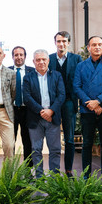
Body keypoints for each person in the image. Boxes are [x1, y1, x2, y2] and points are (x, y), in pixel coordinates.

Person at [23, 49, 65, 178]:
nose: (41, 62)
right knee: (36, 150)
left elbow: (61, 95)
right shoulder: (28, 77)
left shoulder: (57, 75)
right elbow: (27, 97)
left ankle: (55, 178)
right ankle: (40, 178)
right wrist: (41, 111)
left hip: (53, 118)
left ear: (48, 61)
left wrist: (51, 110)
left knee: (55, 150)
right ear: (33, 62)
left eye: (43, 59)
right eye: (38, 60)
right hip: (36, 119)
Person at [49, 31, 83, 177]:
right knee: (53, 139)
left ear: (69, 43)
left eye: (64, 41)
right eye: (58, 41)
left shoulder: (77, 59)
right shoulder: (49, 59)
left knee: (69, 139)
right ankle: (54, 171)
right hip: (53, 104)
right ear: (55, 43)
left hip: (69, 102)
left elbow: (81, 79)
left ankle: (68, 171)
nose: (61, 44)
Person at [73, 36, 102, 178]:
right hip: (87, 110)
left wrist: (99, 101)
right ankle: (86, 176)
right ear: (88, 48)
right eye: (94, 45)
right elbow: (76, 86)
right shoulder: (80, 66)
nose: (97, 47)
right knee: (87, 144)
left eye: (100, 44)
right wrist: (90, 103)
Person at [9, 46, 33, 166]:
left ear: (25, 56)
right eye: (16, 55)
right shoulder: (6, 71)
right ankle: (10, 171)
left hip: (27, 111)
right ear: (12, 57)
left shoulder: (32, 71)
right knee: (10, 142)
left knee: (28, 142)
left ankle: (28, 172)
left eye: (21, 55)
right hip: (11, 110)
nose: (19, 57)